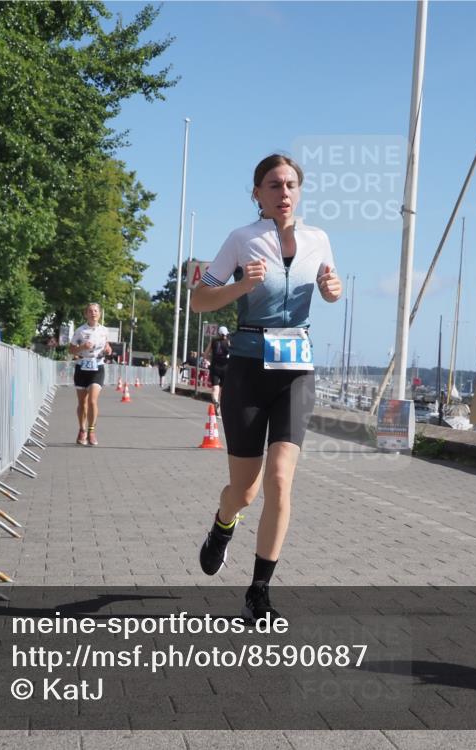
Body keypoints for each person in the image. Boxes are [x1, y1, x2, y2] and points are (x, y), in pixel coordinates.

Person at [191, 153, 342, 622]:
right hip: (249, 369)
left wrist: (333, 290)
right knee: (245, 491)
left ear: (300, 191)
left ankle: (259, 591)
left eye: (291, 184)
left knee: (280, 479)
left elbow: (330, 287)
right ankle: (223, 524)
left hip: (297, 369)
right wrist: (240, 287)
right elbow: (199, 299)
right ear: (257, 193)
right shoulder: (242, 239)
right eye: (274, 185)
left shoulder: (318, 239)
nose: (284, 193)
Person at [69, 303, 112, 447]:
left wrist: (108, 349)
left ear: (99, 313)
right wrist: (82, 347)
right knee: (82, 403)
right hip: (82, 367)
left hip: (97, 367)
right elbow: (71, 350)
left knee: (92, 401)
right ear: (86, 314)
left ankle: (91, 431)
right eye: (90, 311)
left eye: (95, 311)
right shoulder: (80, 330)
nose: (93, 313)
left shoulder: (104, 330)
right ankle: (82, 430)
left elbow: (107, 346)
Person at [208, 326, 230, 409]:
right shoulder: (228, 342)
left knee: (215, 388)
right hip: (225, 367)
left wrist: (209, 361)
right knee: (222, 389)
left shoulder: (213, 341)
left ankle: (216, 401)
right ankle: (220, 406)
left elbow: (205, 354)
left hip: (214, 367)